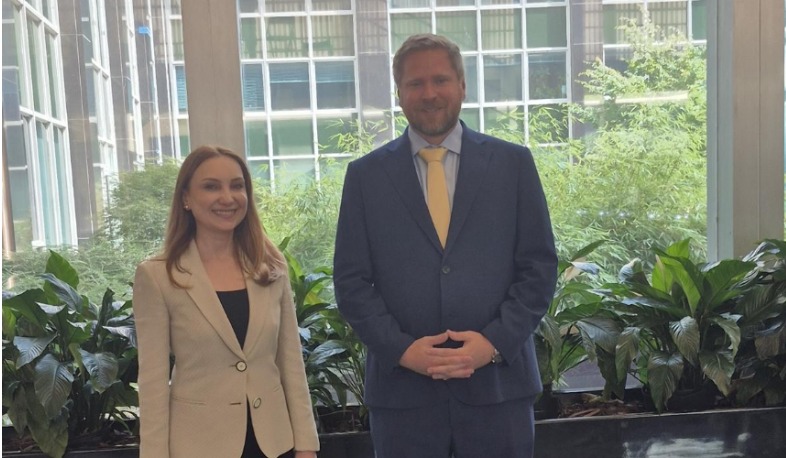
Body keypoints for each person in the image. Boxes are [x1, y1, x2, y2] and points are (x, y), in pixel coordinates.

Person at [333, 34, 558, 457]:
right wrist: (403, 351)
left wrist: (492, 345)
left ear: (462, 86)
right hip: (403, 399)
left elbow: (539, 267)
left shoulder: (512, 164)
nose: (429, 93)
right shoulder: (365, 177)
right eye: (415, 83)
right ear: (399, 93)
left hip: (498, 391)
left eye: (440, 80)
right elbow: (351, 282)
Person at [133, 145, 319, 458]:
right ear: (186, 198)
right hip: (198, 447)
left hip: (275, 444)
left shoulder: (271, 267)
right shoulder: (158, 276)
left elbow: (291, 363)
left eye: (237, 186)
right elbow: (152, 384)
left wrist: (306, 445)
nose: (228, 197)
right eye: (211, 187)